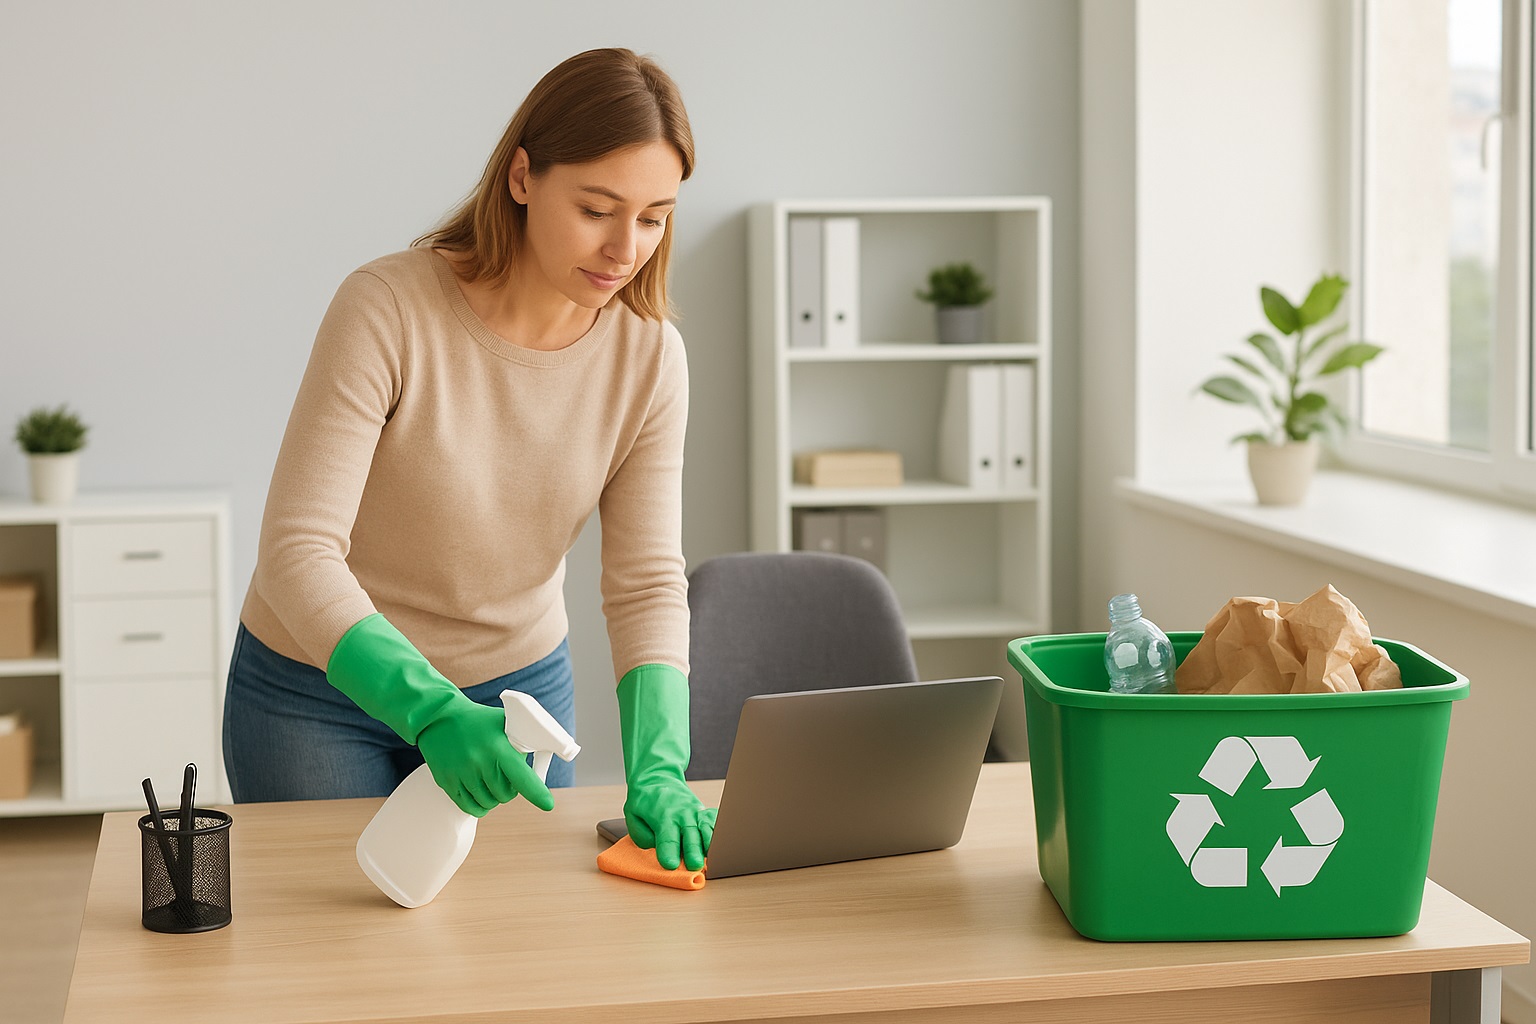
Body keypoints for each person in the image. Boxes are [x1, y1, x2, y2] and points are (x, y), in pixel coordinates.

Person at [222, 47, 714, 872]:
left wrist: (660, 767)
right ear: (522, 177)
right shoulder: (386, 309)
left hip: (515, 696)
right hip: (319, 695)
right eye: (597, 208)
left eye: (655, 216)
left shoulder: (651, 358)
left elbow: (646, 582)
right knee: (336, 957)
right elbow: (297, 554)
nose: (626, 248)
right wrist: (430, 710)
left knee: (498, 955)